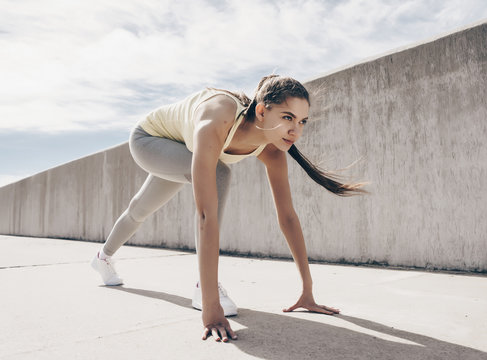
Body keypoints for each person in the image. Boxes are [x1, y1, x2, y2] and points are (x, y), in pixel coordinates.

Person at [91, 74, 366, 342]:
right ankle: (203, 288)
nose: (296, 130)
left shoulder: (272, 149)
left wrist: (307, 290)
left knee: (140, 208)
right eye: (287, 118)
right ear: (261, 111)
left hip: (185, 147)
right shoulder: (220, 115)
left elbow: (288, 217)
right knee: (217, 176)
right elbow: (204, 214)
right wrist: (211, 307)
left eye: (302, 121)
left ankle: (102, 257)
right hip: (150, 139)